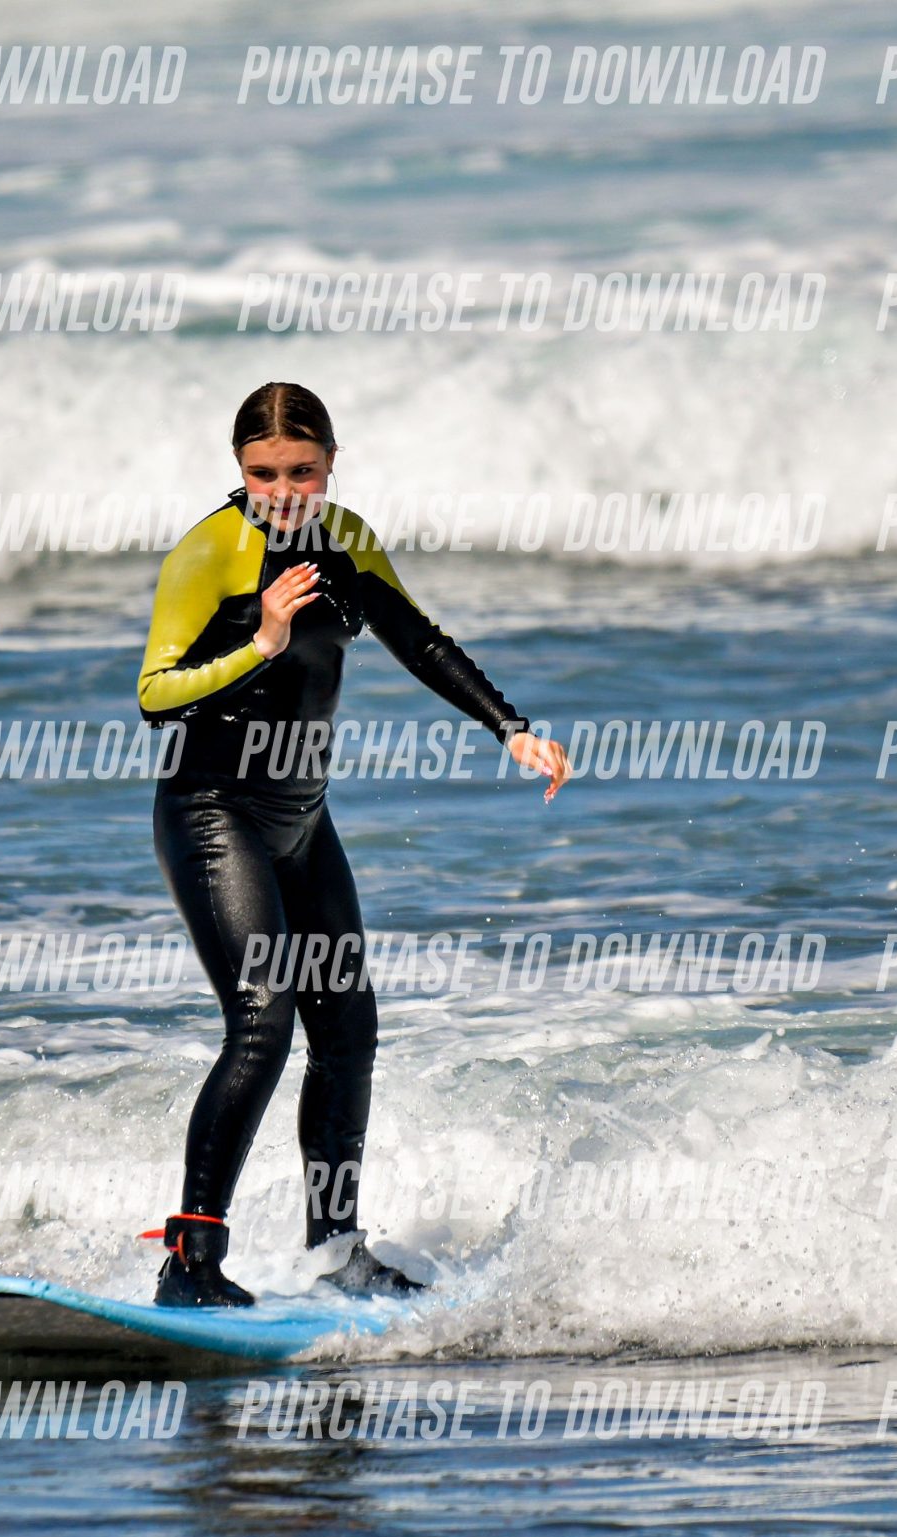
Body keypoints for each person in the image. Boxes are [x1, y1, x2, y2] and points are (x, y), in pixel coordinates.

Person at [135, 382, 572, 1307]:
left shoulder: (348, 541)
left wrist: (510, 727)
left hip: (302, 819)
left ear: (332, 464)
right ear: (240, 469)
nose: (283, 491)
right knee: (262, 1021)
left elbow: (419, 640)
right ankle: (191, 1261)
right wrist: (262, 640)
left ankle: (336, 1253)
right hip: (214, 811)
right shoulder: (208, 552)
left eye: (302, 471)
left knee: (346, 1029)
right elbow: (156, 694)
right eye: (263, 473)